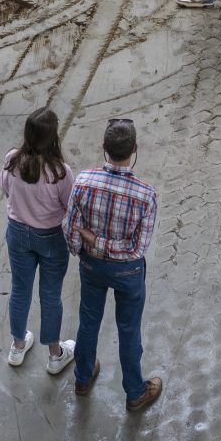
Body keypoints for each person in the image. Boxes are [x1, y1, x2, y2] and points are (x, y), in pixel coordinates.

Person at [63, 117, 163, 412]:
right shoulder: (146, 195)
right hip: (128, 272)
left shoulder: (83, 182)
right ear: (135, 149)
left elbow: (71, 229)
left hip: (91, 266)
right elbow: (138, 248)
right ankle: (135, 392)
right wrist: (110, 247)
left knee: (88, 320)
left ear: (103, 147)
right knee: (129, 330)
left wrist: (89, 244)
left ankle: (82, 377)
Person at [0, 108, 77, 375]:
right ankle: (55, 354)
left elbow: (5, 189)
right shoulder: (60, 172)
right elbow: (70, 206)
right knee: (50, 294)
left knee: (20, 288)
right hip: (50, 237)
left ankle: (18, 345)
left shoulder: (12, 159)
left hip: (17, 232)